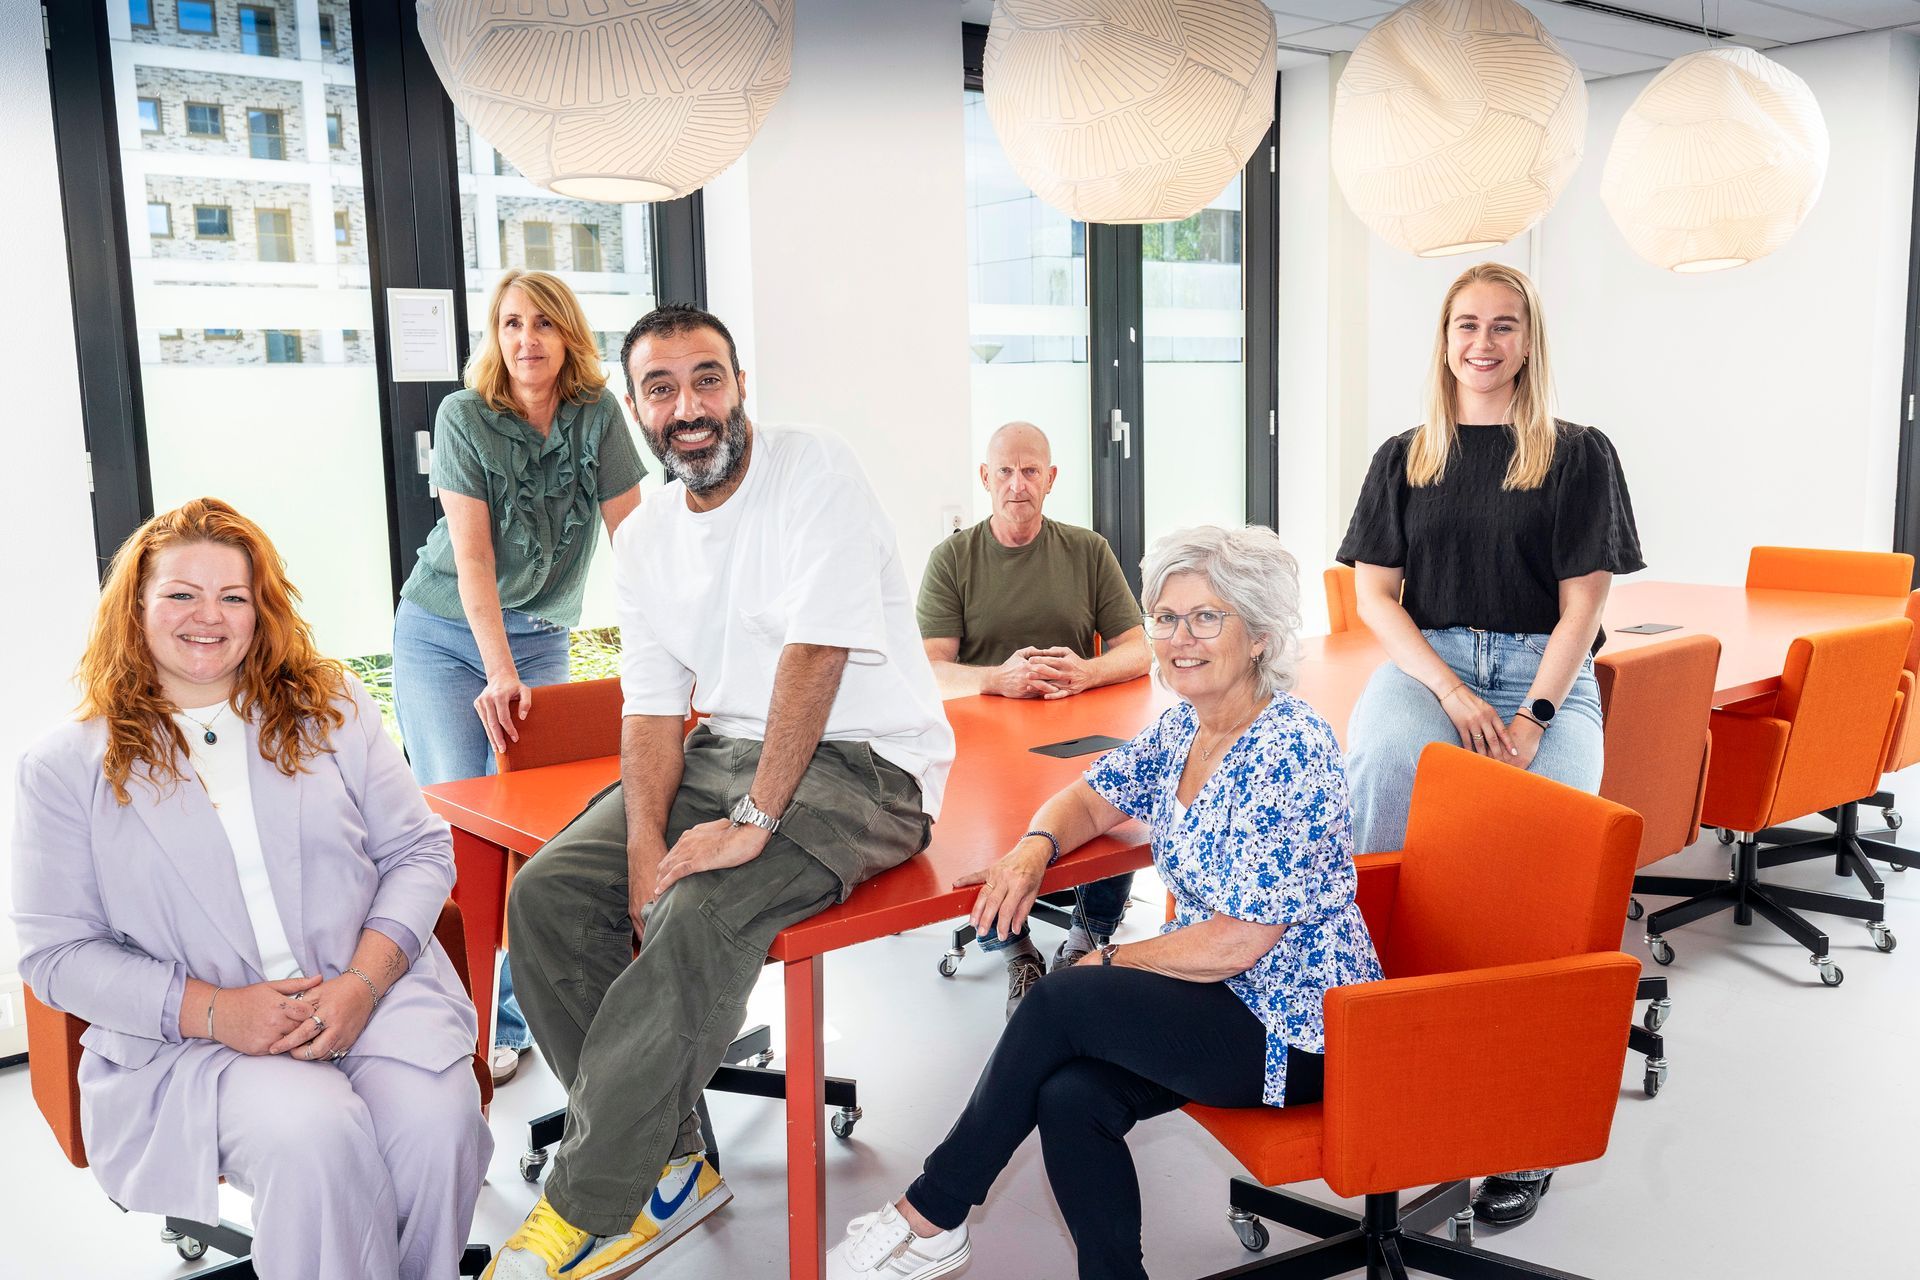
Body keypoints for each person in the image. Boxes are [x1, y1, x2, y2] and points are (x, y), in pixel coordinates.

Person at [485, 303, 956, 1279]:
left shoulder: (811, 469)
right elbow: (652, 713)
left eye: (708, 378)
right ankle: (669, 1166)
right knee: (549, 892)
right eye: (663, 387)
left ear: (741, 387)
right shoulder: (647, 535)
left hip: (867, 765)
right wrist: (643, 845)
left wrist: (753, 820)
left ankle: (587, 1204)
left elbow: (815, 652)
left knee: (699, 912)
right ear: (637, 408)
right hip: (724, 748)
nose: (689, 405)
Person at [827, 525, 1383, 1280]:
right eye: (1165, 617)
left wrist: (1108, 958)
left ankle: (933, 1212)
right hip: (1220, 996)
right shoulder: (1188, 725)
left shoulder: (1290, 748)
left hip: (1298, 1025)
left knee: (1063, 999)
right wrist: (1034, 847)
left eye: (1205, 618)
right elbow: (1089, 797)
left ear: (1257, 636)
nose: (1179, 638)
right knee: (1069, 1095)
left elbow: (1238, 943)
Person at [11, 498, 490, 1280]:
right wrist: (216, 1010)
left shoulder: (332, 708)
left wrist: (362, 986)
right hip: (193, 1042)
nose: (209, 616)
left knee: (440, 1127)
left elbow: (418, 851)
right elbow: (57, 953)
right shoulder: (66, 766)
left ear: (261, 611)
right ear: (135, 607)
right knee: (317, 1136)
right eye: (180, 594)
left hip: (366, 995)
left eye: (233, 596)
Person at [1336, 261, 1643, 1227]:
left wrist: (1531, 719)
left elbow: (1583, 608)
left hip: (1545, 677)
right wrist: (1451, 690)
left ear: (1529, 341)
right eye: (1465, 324)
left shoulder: (1578, 452)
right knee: (1384, 768)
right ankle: (1363, 1007)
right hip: (1432, 667)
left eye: (1503, 326)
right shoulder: (1405, 455)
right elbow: (1372, 598)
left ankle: (1522, 1119)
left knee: (1548, 843)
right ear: (1443, 339)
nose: (1482, 342)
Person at [391, 268, 645, 1086]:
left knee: (544, 835)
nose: (526, 339)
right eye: (509, 324)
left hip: (538, 640)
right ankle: (477, 1022)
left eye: (541, 323)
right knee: (464, 826)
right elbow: (470, 556)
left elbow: (633, 545)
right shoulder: (464, 415)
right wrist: (495, 671)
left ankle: (547, 1002)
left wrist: (674, 654)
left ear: (568, 333)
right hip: (442, 635)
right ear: (494, 339)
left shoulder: (598, 415)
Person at [918, 420, 1150, 1015]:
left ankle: (1088, 937)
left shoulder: (1087, 550)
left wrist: (1087, 671)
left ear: (1051, 479)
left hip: (1074, 733)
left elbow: (1137, 648)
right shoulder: (953, 559)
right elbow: (927, 669)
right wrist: (996, 679)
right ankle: (1015, 947)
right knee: (984, 825)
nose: (1017, 485)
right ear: (985, 478)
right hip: (983, 743)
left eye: (1030, 472)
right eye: (1005, 472)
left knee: (1120, 796)